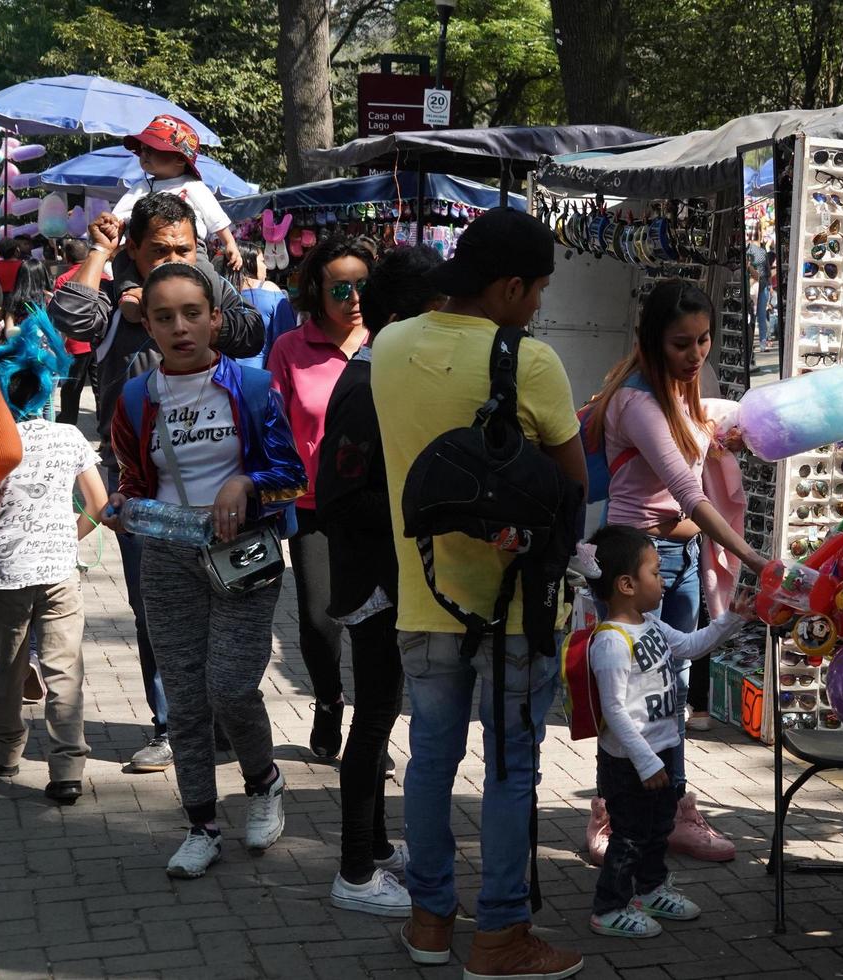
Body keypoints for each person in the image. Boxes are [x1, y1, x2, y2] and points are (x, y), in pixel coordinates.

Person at [371, 209, 585, 980]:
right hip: (516, 608)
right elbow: (572, 486)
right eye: (535, 291)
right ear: (508, 285)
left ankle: (431, 923)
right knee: (510, 766)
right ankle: (500, 938)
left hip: (423, 595)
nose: (538, 307)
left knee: (429, 761)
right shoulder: (531, 363)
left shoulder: (388, 346)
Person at [48, 194, 264, 774]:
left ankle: (228, 719)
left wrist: (193, 297)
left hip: (224, 488)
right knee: (155, 612)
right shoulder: (115, 302)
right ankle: (172, 724)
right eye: (159, 251)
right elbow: (71, 316)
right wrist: (100, 253)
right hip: (142, 489)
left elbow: (249, 332)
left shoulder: (209, 293)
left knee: (231, 604)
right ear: (134, 251)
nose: (173, 258)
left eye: (183, 248)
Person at [104, 262, 305, 878]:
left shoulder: (250, 386)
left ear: (216, 318)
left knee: (230, 685)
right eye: (163, 317)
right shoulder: (137, 396)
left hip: (244, 552)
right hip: (167, 557)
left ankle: (263, 781)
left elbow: (292, 477)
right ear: (149, 324)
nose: (179, 327)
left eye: (192, 313)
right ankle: (200, 824)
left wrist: (245, 482)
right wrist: (120, 504)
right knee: (186, 698)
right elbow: (136, 477)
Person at [583, 279, 766, 864]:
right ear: (653, 341)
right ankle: (611, 813)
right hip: (639, 566)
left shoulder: (679, 388)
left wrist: (718, 433)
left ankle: (674, 811)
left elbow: (686, 459)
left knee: (675, 689)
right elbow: (687, 493)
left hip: (678, 560)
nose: (697, 355)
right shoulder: (637, 401)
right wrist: (756, 556)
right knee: (629, 695)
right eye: (682, 343)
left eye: (704, 340)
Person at [316, 244, 444, 916]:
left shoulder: (386, 375)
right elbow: (336, 496)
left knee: (380, 715)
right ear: (403, 318)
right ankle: (353, 872)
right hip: (372, 582)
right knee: (370, 723)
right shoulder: (367, 387)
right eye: (436, 315)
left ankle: (377, 846)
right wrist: (413, 505)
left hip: (388, 578)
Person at [582, 525, 752, 938]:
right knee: (628, 838)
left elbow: (692, 646)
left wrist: (731, 619)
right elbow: (615, 710)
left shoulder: (651, 626)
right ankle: (609, 907)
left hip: (658, 753)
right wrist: (643, 762)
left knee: (658, 830)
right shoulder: (610, 642)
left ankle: (651, 889)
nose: (662, 580)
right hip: (629, 763)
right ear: (626, 584)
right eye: (655, 573)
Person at [0, 310, 106, 804]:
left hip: (6, 574)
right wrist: (67, 534)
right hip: (60, 570)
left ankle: (7, 752)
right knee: (64, 670)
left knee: (7, 669)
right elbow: (100, 506)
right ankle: (66, 770)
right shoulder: (70, 437)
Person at [267, 236, 374, 760]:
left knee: (377, 621)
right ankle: (329, 699)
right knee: (318, 620)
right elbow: (274, 426)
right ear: (317, 290)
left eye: (362, 285)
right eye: (341, 288)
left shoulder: (390, 342)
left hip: (377, 507)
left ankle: (371, 727)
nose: (354, 297)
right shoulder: (290, 348)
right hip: (312, 506)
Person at [112, 114, 241, 320]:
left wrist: (230, 243)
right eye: (143, 149)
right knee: (121, 261)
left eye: (153, 149)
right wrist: (113, 228)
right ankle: (132, 295)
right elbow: (119, 216)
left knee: (205, 270)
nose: (144, 154)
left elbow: (215, 216)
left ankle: (209, 302)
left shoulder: (193, 186)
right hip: (145, 247)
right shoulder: (140, 187)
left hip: (189, 246)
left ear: (181, 158)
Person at [213, 243, 297, 369]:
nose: (266, 267)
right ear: (249, 262)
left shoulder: (219, 292)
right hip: (258, 375)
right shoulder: (270, 290)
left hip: (223, 374)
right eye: (262, 261)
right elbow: (288, 338)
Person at [52, 240, 97, 427]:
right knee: (101, 387)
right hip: (101, 342)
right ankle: (106, 433)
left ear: (67, 258)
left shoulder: (63, 280)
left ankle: (68, 428)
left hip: (75, 344)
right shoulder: (103, 276)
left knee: (71, 388)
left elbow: (59, 315)